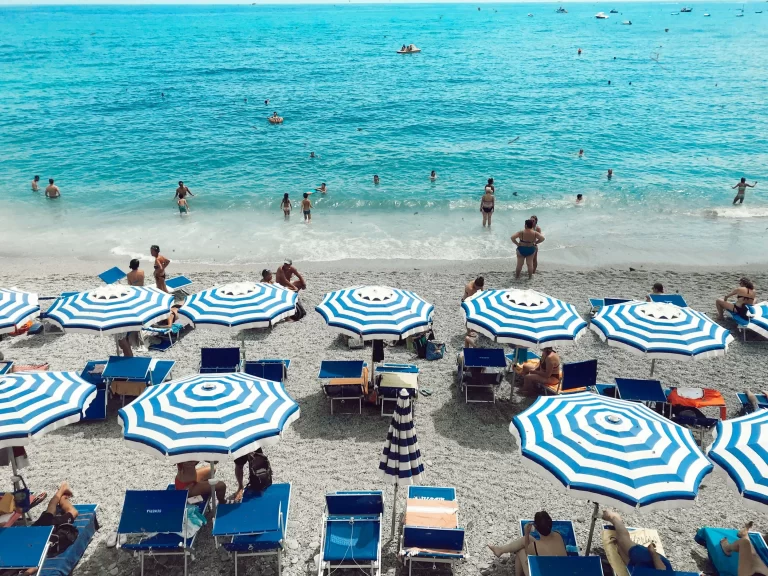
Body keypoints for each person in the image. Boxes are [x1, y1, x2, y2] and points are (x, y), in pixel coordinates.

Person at [488, 511, 566, 576]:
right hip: (559, 571)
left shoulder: (535, 546)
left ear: (535, 527)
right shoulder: (558, 535)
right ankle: (500, 550)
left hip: (541, 573)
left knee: (520, 550)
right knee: (526, 540)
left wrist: (527, 533)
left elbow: (528, 559)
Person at [602, 510, 673, 572]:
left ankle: (620, 543)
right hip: (652, 563)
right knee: (622, 540)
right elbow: (662, 569)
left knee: (620, 550)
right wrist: (653, 553)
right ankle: (614, 518)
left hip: (641, 570)